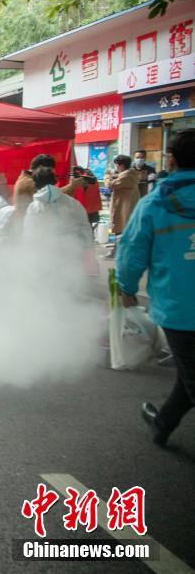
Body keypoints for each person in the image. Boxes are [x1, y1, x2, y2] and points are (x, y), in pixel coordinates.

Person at [117, 129, 195, 446]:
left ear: (171, 159)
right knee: (189, 374)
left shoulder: (155, 204)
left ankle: (161, 423)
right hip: (179, 309)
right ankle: (162, 423)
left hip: (179, 309)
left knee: (192, 375)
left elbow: (133, 251)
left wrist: (126, 287)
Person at [22, 167, 92, 247]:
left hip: (43, 252)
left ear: (35, 184)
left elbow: (28, 234)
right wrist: (88, 249)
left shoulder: (33, 207)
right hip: (71, 251)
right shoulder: (73, 203)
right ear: (54, 181)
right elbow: (85, 228)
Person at [107, 154, 141, 259]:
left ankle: (120, 252)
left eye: (117, 165)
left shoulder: (127, 175)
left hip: (124, 208)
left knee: (121, 229)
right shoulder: (129, 174)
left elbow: (111, 185)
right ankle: (118, 251)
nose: (116, 167)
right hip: (125, 207)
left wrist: (107, 177)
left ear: (121, 165)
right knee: (122, 230)